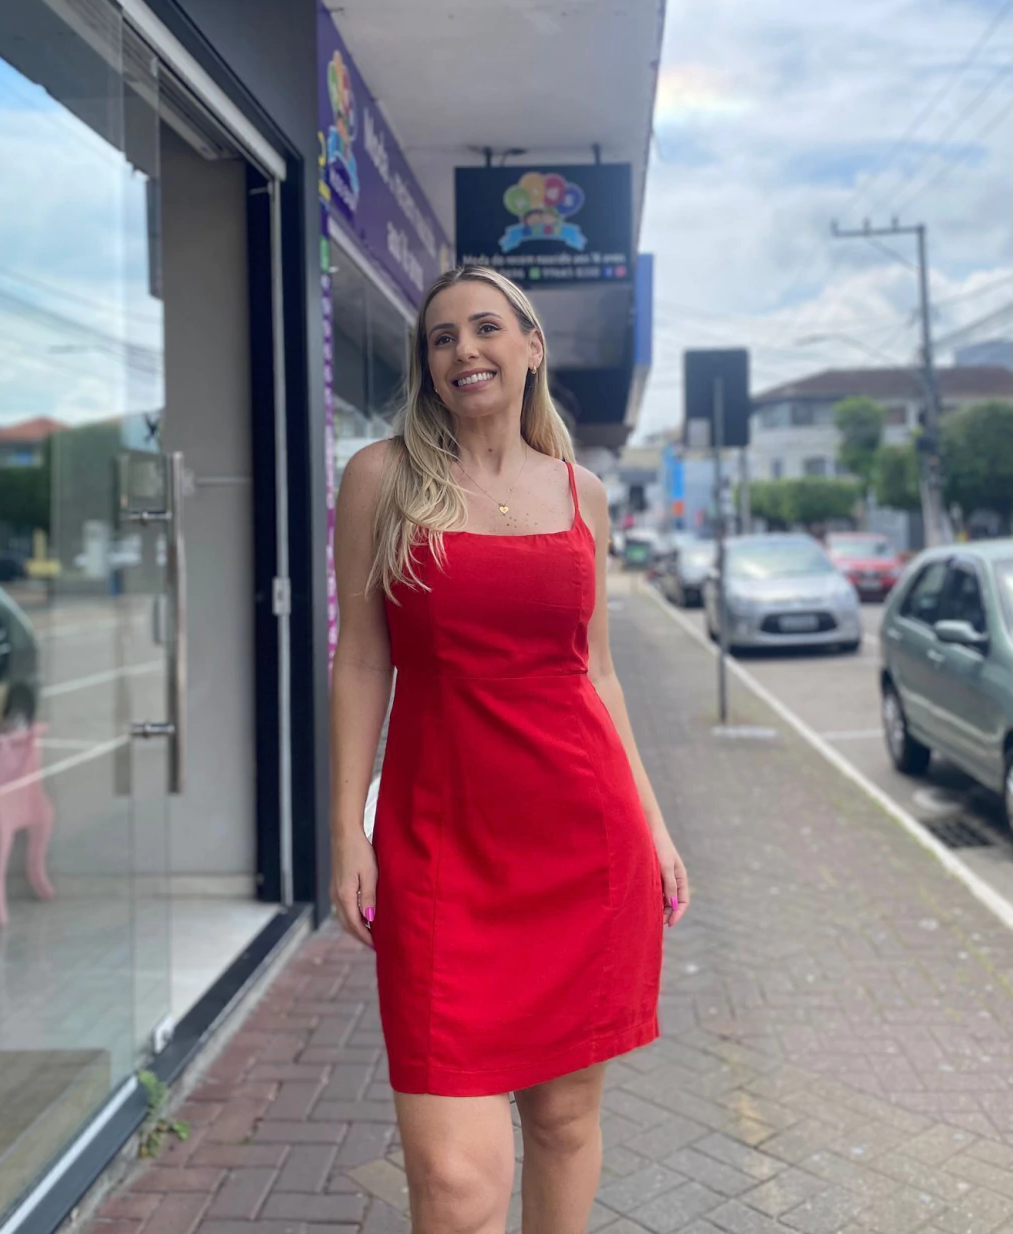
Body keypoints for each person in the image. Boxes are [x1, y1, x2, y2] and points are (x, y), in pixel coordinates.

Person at [330, 265, 690, 1234]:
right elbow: (361, 661)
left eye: (485, 327)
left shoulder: (583, 493)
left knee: (565, 1124)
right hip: (440, 849)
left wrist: (653, 826)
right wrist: (347, 828)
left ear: (532, 346)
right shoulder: (380, 478)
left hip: (583, 843)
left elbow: (597, 673)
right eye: (441, 337)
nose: (464, 350)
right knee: (452, 1181)